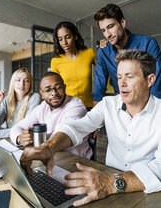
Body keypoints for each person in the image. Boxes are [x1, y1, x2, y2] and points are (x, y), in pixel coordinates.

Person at [21, 50, 161, 206]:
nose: (121, 84)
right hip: (104, 183)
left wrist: (112, 182)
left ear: (150, 80)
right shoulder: (108, 104)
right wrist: (48, 146)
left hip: (143, 190)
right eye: (119, 76)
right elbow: (78, 127)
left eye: (129, 77)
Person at [10, 71, 92, 159]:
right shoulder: (42, 107)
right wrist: (20, 138)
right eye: (48, 90)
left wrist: (36, 136)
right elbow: (16, 127)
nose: (54, 93)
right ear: (42, 94)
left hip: (75, 160)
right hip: (49, 156)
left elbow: (61, 136)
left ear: (64, 87)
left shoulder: (76, 106)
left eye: (58, 87)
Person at [92, 3, 161, 105]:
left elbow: (156, 83)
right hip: (123, 103)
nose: (107, 34)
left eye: (110, 26)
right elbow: (99, 86)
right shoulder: (103, 51)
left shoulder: (148, 43)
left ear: (122, 23)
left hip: (149, 101)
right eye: (103, 30)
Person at [51, 21, 96, 109]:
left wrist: (106, 46)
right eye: (60, 39)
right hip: (68, 108)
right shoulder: (55, 61)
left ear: (75, 36)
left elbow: (104, 72)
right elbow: (55, 87)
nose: (64, 42)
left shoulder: (89, 53)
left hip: (90, 105)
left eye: (68, 37)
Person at [0, 67, 40, 138]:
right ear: (13, 83)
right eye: (18, 80)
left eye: (26, 81)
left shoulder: (34, 97)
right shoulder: (6, 100)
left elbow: (26, 129)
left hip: (25, 141)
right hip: (9, 141)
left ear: (30, 84)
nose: (22, 84)